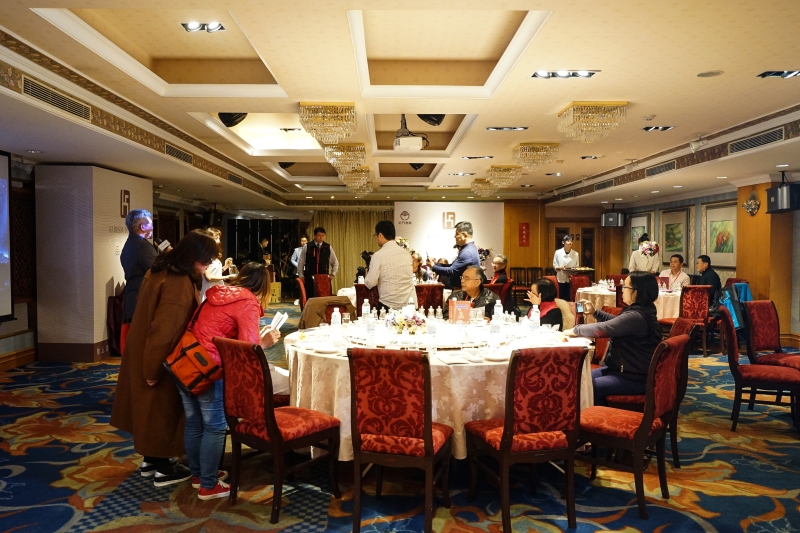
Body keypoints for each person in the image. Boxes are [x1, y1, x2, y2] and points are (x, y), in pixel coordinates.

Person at [111, 229, 219, 486]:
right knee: (161, 410)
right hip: (158, 355)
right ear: (193, 256)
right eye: (206, 259)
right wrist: (153, 369)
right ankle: (163, 469)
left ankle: (151, 460)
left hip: (142, 347)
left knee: (147, 410)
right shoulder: (178, 282)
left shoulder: (161, 269)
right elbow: (166, 331)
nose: (208, 265)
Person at [185, 262, 285, 500]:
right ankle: (208, 485)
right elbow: (248, 350)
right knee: (215, 426)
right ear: (264, 286)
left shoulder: (217, 293)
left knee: (194, 423)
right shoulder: (248, 301)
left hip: (187, 360)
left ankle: (200, 475)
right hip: (211, 367)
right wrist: (265, 342)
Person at [566, 271, 662, 406]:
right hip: (623, 370)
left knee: (585, 388)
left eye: (625, 287)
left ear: (636, 292)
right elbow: (616, 322)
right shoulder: (643, 310)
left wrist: (573, 331)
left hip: (635, 377)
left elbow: (603, 329)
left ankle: (597, 414)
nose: (622, 290)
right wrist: (595, 312)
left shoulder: (636, 317)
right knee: (579, 380)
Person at [365, 221, 417, 311]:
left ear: (380, 235)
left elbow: (370, 283)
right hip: (410, 305)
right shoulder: (406, 254)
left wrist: (367, 272)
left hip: (388, 306)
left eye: (376, 235)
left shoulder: (378, 255)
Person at [120, 209, 156, 323]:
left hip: (132, 301)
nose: (153, 228)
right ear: (143, 227)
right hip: (142, 302)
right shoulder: (144, 246)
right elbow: (158, 272)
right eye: (151, 224)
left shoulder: (128, 244)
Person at [426, 221, 480, 290]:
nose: (455, 237)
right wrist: (436, 264)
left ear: (465, 235)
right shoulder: (470, 248)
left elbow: (452, 271)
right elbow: (453, 267)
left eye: (457, 234)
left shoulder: (467, 252)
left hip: (465, 290)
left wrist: (433, 267)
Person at [297, 227, 339, 298]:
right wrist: (301, 275)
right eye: (319, 235)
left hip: (323, 278)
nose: (321, 237)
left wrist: (333, 274)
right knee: (310, 297)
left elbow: (335, 262)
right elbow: (301, 262)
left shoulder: (327, 247)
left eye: (323, 235)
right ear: (314, 235)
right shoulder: (307, 246)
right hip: (309, 277)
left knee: (323, 298)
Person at [200, 229, 233, 302]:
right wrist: (227, 277)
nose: (219, 241)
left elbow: (214, 272)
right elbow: (208, 277)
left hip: (218, 290)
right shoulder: (205, 256)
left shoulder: (214, 255)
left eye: (219, 238)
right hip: (209, 291)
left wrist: (225, 267)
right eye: (216, 238)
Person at [553, 234, 579, 301]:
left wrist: (574, 269)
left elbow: (577, 266)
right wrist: (560, 267)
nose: (570, 242)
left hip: (571, 279)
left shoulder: (576, 254)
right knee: (561, 298)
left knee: (570, 298)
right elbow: (555, 265)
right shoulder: (558, 252)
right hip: (560, 278)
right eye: (568, 241)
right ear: (563, 242)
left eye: (571, 241)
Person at [290, 236, 308, 305]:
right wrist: (298, 265)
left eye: (305, 241)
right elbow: (292, 259)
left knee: (306, 285)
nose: (303, 242)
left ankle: (306, 299)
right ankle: (297, 298)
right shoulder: (296, 250)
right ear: (300, 242)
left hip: (307, 270)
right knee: (297, 285)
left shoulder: (310, 249)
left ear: (307, 241)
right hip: (298, 270)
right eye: (302, 241)